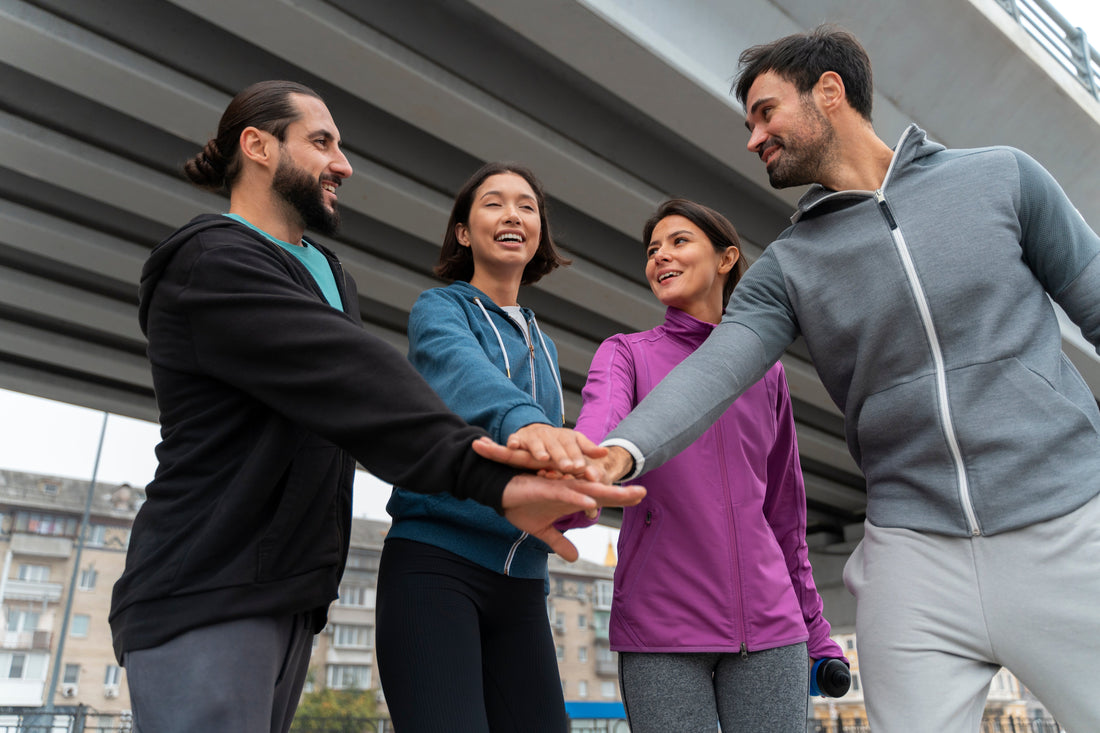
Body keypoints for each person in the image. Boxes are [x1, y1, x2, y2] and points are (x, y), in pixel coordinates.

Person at [478, 26, 1100, 733]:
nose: (753, 138)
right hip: (913, 552)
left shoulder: (1003, 178)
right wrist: (616, 454)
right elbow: (712, 371)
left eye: (766, 113)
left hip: (1069, 521)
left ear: (828, 93)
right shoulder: (789, 266)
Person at [108, 82, 643, 733]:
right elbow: (359, 381)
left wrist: (566, 478)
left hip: (290, 588)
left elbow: (353, 414)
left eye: (528, 205)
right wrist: (502, 469)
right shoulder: (213, 258)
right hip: (206, 583)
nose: (344, 164)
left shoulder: (330, 273)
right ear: (257, 146)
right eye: (322, 142)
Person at [574, 198, 845, 732]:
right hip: (661, 628)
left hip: (772, 630)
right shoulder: (626, 353)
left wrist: (817, 632)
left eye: (678, 242)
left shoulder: (767, 374)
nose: (660, 257)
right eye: (652, 250)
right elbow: (600, 427)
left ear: (726, 259)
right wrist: (584, 465)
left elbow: (785, 518)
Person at [376, 162, 597, 733]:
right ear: (463, 231)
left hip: (524, 582)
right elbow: (464, 375)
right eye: (493, 203)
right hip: (436, 569)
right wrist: (525, 423)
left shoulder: (542, 341)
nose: (513, 216)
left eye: (527, 206)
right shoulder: (440, 309)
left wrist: (572, 489)